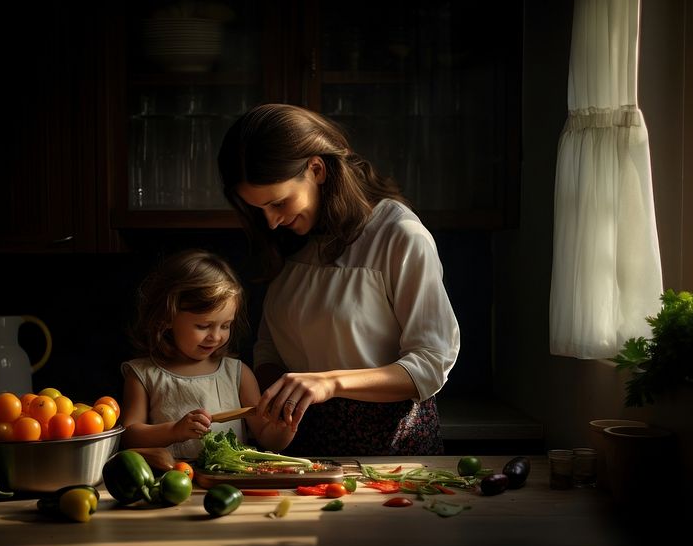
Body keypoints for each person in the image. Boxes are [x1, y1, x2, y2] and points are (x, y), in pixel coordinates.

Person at [217, 103, 460, 456]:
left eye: (278, 203)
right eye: (258, 210)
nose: (270, 222)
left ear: (316, 169)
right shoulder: (289, 240)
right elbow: (270, 348)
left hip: (390, 449)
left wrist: (330, 383)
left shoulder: (398, 235)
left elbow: (430, 364)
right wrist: (274, 400)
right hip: (302, 448)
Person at [119, 249, 296, 464]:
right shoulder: (143, 374)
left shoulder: (237, 374)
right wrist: (175, 430)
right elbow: (129, 435)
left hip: (229, 482)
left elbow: (267, 437)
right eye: (203, 326)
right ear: (166, 317)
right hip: (173, 481)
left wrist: (284, 428)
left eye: (225, 326)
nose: (215, 336)